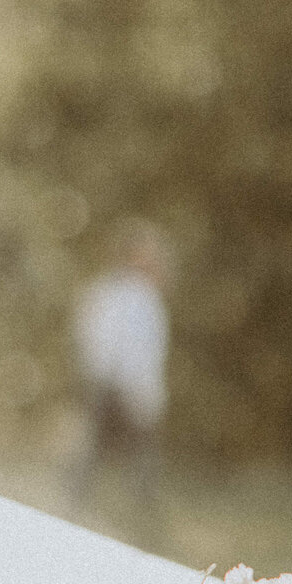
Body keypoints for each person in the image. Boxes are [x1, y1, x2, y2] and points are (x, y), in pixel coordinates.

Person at [71, 219, 172, 536]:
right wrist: (111, 379)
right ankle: (77, 505)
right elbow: (105, 340)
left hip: (130, 387)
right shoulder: (117, 293)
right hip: (115, 384)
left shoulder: (145, 296)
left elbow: (150, 352)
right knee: (96, 449)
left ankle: (140, 513)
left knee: (135, 453)